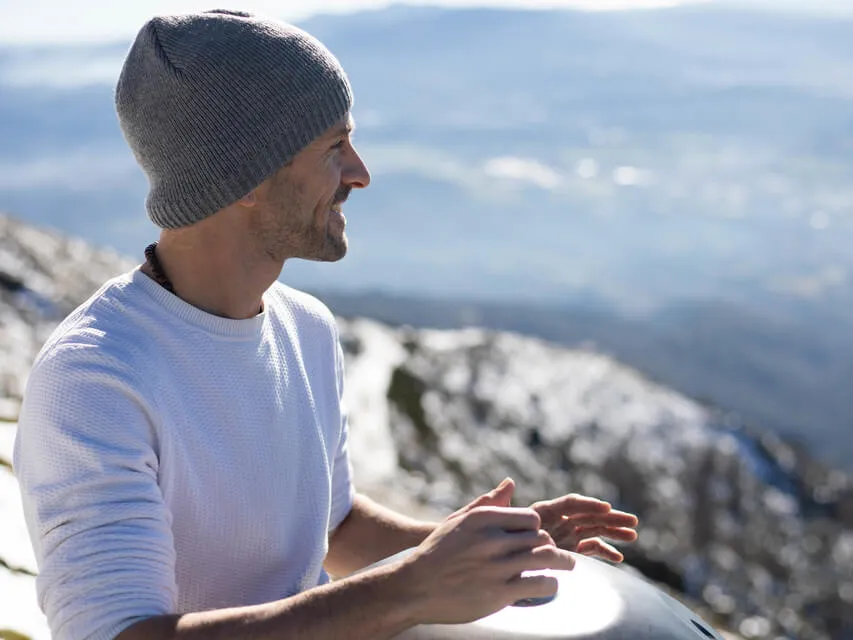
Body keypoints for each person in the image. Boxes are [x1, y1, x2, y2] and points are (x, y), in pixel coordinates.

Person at [13, 10, 639, 640]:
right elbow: (116, 634)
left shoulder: (304, 327)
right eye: (334, 147)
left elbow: (332, 529)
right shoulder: (95, 381)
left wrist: (486, 551)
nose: (360, 173)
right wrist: (409, 589)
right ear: (245, 177)